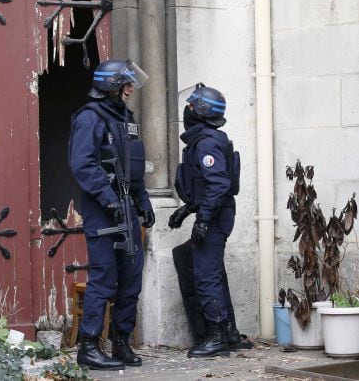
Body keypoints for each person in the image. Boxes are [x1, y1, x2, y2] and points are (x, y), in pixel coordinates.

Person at [68, 59, 155, 370]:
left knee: (131, 278)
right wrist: (109, 200)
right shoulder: (90, 118)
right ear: (111, 86)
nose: (131, 89)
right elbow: (83, 165)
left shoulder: (124, 118)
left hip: (127, 206)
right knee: (104, 276)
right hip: (102, 210)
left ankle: (121, 343)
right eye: (126, 84)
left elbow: (133, 167)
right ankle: (89, 346)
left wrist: (142, 202)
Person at [168, 83, 248, 358]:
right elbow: (205, 186)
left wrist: (202, 219)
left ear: (200, 112)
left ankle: (215, 337)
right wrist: (188, 209)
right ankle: (229, 333)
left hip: (214, 217)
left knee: (206, 277)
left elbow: (218, 184)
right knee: (214, 274)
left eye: (191, 106)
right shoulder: (205, 140)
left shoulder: (206, 143)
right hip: (213, 214)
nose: (187, 110)